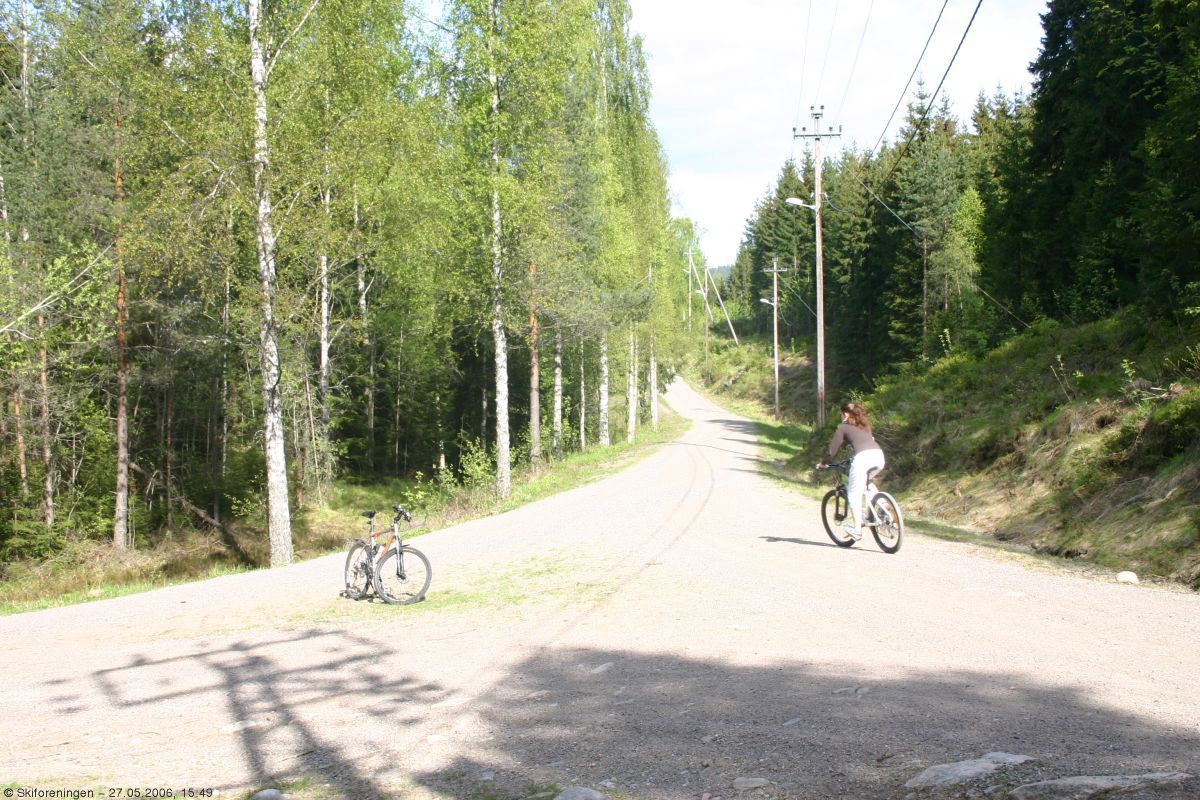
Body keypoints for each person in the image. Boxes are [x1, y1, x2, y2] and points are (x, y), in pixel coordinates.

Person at [818, 402, 885, 541]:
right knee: (866, 481)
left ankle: (857, 530)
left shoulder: (843, 427)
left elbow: (831, 451)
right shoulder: (865, 426)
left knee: (854, 495)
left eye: (841, 414)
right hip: (878, 456)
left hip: (862, 459)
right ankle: (882, 505)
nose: (841, 416)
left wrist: (823, 463)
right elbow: (868, 442)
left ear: (846, 414)